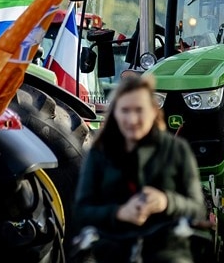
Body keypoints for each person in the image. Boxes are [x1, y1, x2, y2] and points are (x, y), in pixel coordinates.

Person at [72, 73, 206, 262]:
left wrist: (166, 202)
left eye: (139, 110)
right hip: (112, 249)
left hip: (167, 249)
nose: (132, 119)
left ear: (153, 111)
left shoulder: (176, 150)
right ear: (115, 113)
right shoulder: (100, 153)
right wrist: (119, 212)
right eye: (125, 110)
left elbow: (198, 208)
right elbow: (81, 212)